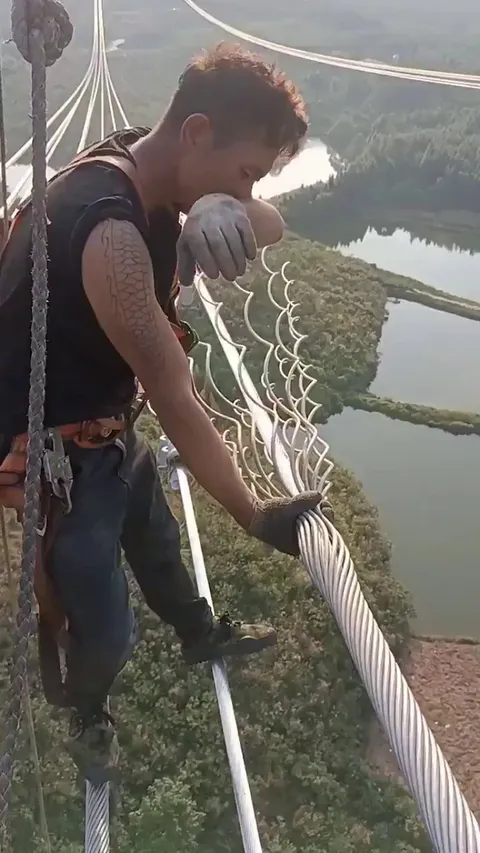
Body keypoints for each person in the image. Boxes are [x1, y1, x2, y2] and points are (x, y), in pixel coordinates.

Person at [0, 42, 330, 781]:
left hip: (108, 419)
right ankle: (88, 713)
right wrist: (254, 516)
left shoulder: (135, 157)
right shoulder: (111, 233)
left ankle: (197, 630)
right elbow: (177, 396)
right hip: (59, 457)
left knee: (157, 538)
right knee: (105, 626)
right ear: (197, 133)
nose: (248, 189)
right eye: (246, 172)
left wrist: (225, 201)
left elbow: (271, 225)